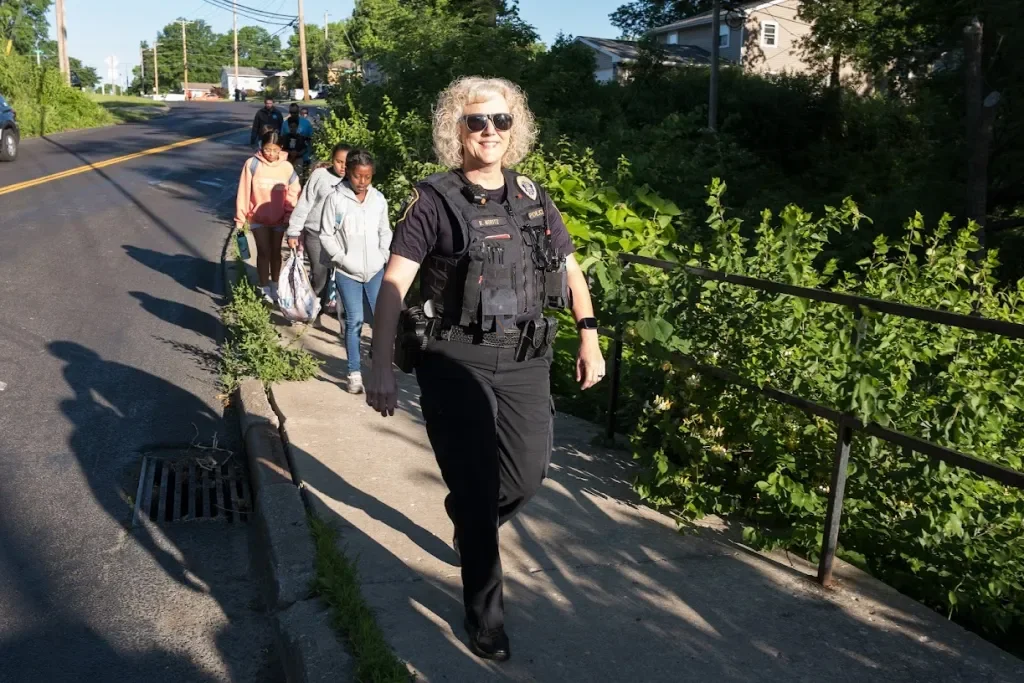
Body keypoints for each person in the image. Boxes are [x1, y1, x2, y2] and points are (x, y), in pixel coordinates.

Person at [365, 76, 605, 662]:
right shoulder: (433, 201)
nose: (490, 132)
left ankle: (467, 519)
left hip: (526, 358)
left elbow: (571, 271)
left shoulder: (533, 196)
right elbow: (395, 283)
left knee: (526, 477)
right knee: (476, 494)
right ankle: (486, 617)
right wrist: (380, 363)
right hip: (455, 359)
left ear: (514, 127)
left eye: (500, 121)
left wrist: (590, 337)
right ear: (457, 131)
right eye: (477, 122)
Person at [318, 150, 391, 394]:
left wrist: (383, 255)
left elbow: (385, 231)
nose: (362, 182)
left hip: (375, 271)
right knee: (355, 320)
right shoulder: (335, 199)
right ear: (348, 173)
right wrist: (341, 259)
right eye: (358, 176)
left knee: (380, 319)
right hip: (348, 272)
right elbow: (326, 234)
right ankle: (354, 372)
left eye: (367, 177)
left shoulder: (378, 199)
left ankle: (380, 365)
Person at [286, 143, 352, 326]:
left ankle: (344, 322)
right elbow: (305, 203)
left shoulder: (353, 181)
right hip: (315, 233)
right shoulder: (319, 176)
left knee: (341, 278)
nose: (342, 167)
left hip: (339, 238)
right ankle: (312, 309)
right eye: (339, 162)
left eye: (346, 163)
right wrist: (293, 231)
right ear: (332, 160)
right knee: (319, 275)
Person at [235, 129, 301, 303]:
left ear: (281, 148)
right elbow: (243, 191)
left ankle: (275, 284)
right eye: (267, 149)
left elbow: (293, 191)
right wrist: (240, 220)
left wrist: (289, 214)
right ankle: (264, 287)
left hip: (279, 219)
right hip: (258, 218)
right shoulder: (252, 164)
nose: (271, 154)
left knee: (276, 253)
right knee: (263, 252)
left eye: (275, 150)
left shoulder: (287, 167)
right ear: (261, 147)